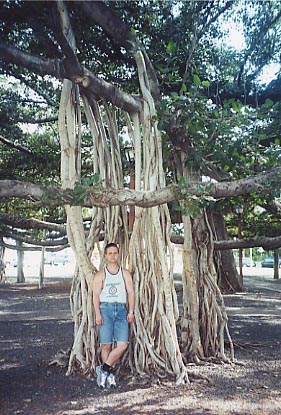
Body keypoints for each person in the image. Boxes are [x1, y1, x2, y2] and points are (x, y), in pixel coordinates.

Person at [93, 242, 135, 388]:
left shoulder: (124, 273)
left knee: (122, 344)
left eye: (115, 253)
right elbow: (96, 295)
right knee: (106, 345)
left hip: (121, 310)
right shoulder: (100, 275)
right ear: (105, 255)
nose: (112, 255)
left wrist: (131, 311)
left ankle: (103, 369)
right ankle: (109, 376)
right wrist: (98, 314)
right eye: (109, 253)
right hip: (105, 309)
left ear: (118, 254)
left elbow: (131, 292)